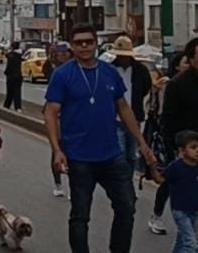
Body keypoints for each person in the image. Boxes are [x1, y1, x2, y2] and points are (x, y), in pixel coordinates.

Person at [44, 23, 156, 253]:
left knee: (126, 207)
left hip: (111, 155)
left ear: (96, 44)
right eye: (79, 42)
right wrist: (57, 149)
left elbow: (124, 108)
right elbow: (51, 113)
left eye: (89, 41)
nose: (84, 46)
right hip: (79, 157)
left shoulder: (109, 72)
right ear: (73, 46)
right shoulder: (63, 75)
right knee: (80, 215)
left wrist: (142, 143)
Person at [152, 36, 198, 242]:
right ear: (191, 59)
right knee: (194, 200)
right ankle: (197, 239)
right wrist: (176, 151)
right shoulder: (178, 85)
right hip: (190, 152)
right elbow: (168, 122)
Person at [150, 131, 198, 253]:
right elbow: (160, 180)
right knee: (191, 243)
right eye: (193, 147)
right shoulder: (176, 167)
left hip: (196, 210)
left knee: (182, 238)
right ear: (182, 151)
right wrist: (152, 167)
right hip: (180, 211)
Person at [110, 36, 152, 171]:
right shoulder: (109, 70)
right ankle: (120, 183)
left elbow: (146, 87)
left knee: (131, 154)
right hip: (114, 118)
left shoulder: (140, 70)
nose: (123, 58)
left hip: (134, 117)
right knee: (119, 152)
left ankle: (129, 180)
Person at [45, 42, 74, 198]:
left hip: (72, 117)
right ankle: (58, 183)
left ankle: (72, 185)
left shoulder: (77, 69)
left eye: (65, 52)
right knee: (57, 149)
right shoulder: (55, 71)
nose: (63, 55)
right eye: (60, 53)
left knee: (72, 153)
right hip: (57, 116)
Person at [3, 45, 23, 112]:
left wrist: (6, 72)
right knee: (17, 91)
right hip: (18, 76)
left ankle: (7, 105)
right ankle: (18, 107)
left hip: (11, 76)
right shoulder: (20, 55)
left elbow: (6, 56)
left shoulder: (11, 55)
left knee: (9, 91)